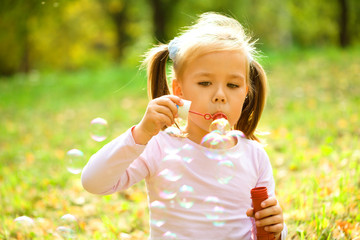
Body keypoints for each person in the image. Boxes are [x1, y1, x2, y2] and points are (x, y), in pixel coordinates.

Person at [82, 12, 287, 239]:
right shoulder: (159, 147)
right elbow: (93, 182)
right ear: (178, 91)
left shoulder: (255, 156)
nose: (220, 95)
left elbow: (266, 229)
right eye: (205, 83)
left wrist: (277, 228)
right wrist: (141, 133)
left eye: (232, 84)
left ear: (245, 93)